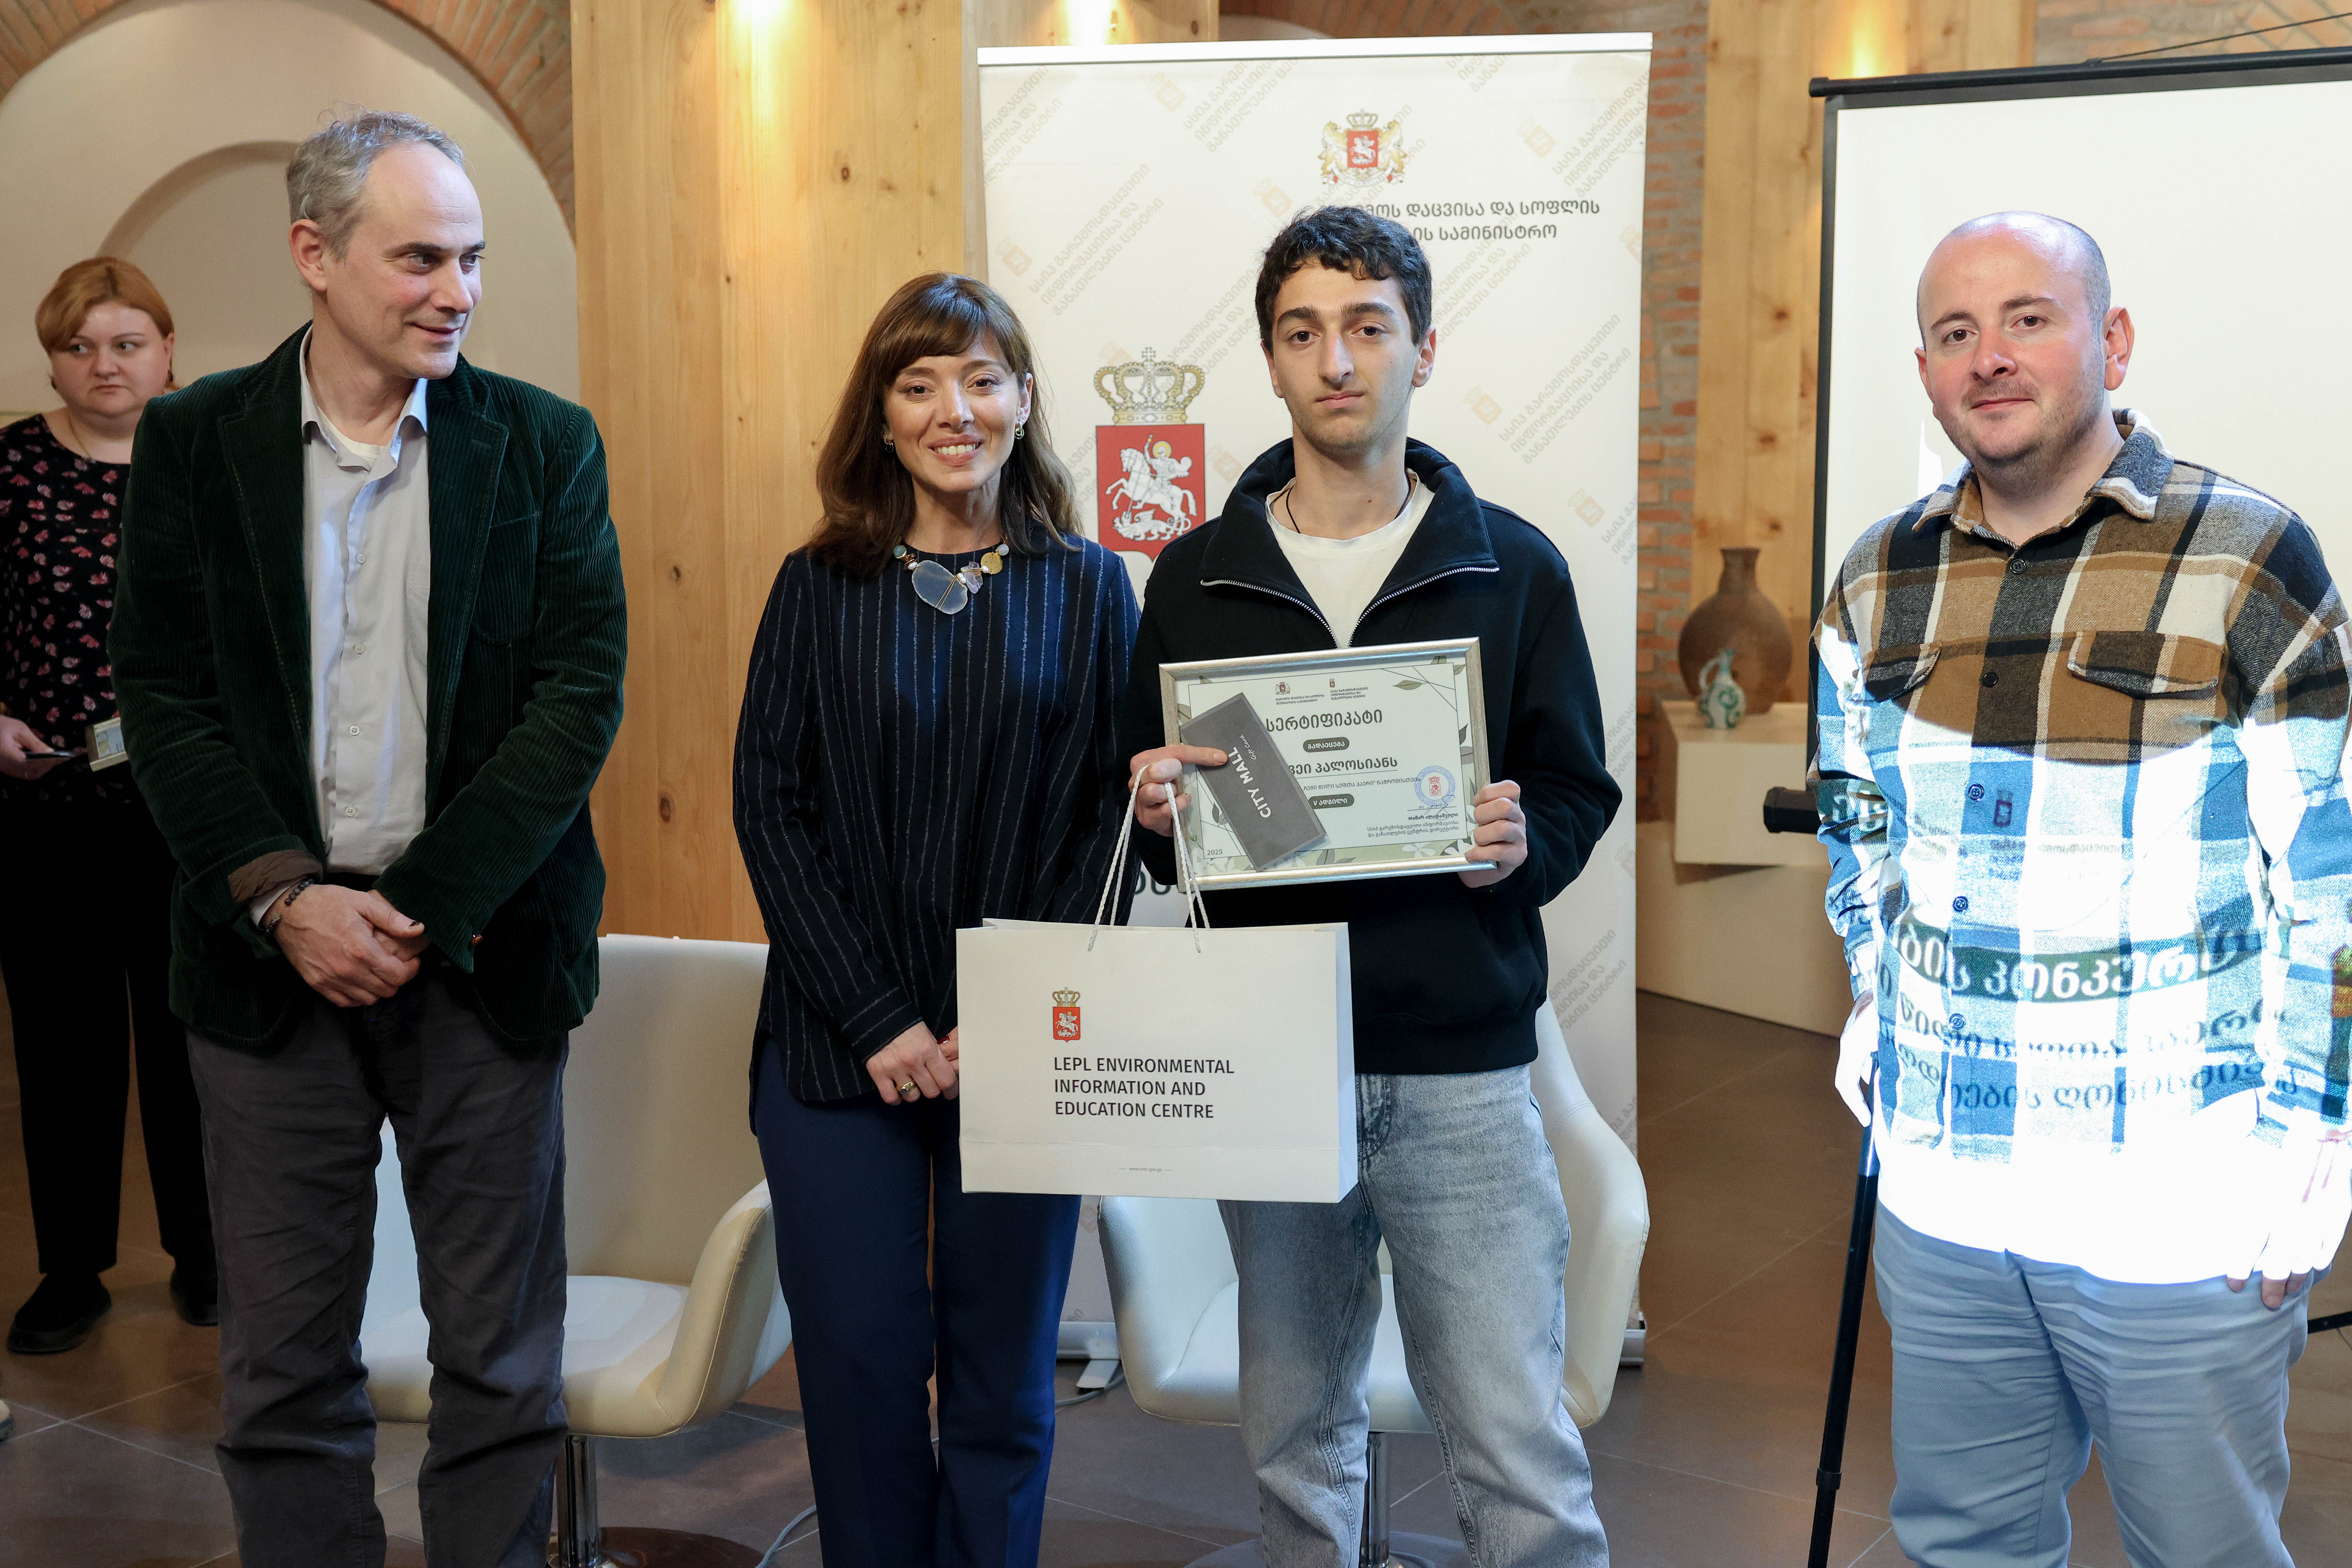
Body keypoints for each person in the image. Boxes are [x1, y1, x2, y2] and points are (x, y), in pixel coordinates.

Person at [109, 111, 626, 1567]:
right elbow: (163, 694)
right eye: (420, 259)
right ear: (314, 254)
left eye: (472, 259)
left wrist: (421, 910)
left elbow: (578, 694)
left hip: (482, 960)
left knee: (502, 1368)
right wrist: (288, 898)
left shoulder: (544, 443)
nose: (457, 291)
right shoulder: (195, 441)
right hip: (266, 970)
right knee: (282, 1372)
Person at [1816, 211, 2351, 1567]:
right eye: (1954, 332)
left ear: (2110, 341)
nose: (1989, 357)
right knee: (1965, 1541)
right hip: (1946, 1194)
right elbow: (1857, 827)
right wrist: (1878, 995)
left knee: (2201, 1548)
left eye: (2028, 319)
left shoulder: (2246, 553)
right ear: (1926, 372)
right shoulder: (1877, 575)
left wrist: (2318, 1125)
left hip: (2178, 1196)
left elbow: (2333, 870)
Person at [1124, 206, 1620, 1567]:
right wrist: (1157, 809)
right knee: (1294, 1443)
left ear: (1423, 350)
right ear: (1271, 363)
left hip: (1459, 1067)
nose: (1336, 360)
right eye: (1303, 333)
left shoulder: (1513, 565)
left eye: (1366, 327)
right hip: (1268, 1061)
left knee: (1517, 1451)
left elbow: (1574, 791)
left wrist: (1522, 845)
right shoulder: (1192, 578)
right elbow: (1165, 829)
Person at [733, 272, 1137, 1568]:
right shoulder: (817, 585)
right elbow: (770, 809)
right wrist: (881, 1020)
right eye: (918, 385)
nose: (952, 411)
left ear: (1023, 400)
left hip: (1023, 1044)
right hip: (836, 1045)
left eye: (980, 380)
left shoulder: (1092, 587)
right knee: (856, 1362)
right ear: (883, 414)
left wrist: (999, 1018)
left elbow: (1109, 823)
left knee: (1003, 1380)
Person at [0, 257, 217, 1353]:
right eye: (79, 347)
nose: (104, 366)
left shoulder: (209, 462)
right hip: (47, 805)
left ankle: (205, 1253)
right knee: (64, 1043)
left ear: (167, 352)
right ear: (53, 361)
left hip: (193, 804)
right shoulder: (10, 468)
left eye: (127, 344)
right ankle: (72, 1270)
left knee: (193, 1037)